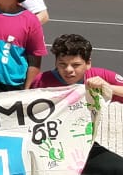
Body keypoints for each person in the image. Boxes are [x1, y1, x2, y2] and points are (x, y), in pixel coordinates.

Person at [30, 34, 123, 173]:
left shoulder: (99, 76)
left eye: (76, 65)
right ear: (55, 62)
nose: (68, 70)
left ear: (88, 63)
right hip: (48, 147)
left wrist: (108, 87)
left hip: (83, 146)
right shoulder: (42, 81)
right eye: (62, 64)